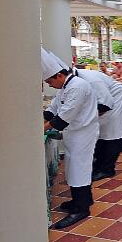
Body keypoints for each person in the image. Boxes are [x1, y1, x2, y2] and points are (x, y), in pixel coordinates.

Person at [41, 49, 99, 229]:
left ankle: (81, 209)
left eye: (50, 81)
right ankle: (82, 200)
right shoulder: (66, 86)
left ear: (59, 75)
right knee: (74, 169)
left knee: (78, 170)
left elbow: (62, 118)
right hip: (74, 134)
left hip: (83, 134)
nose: (50, 85)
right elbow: (53, 109)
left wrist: (39, 129)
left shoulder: (78, 87)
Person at [73, 67, 122, 181]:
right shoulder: (75, 79)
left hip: (114, 99)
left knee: (113, 134)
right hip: (102, 102)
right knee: (101, 134)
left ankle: (107, 169)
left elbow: (105, 103)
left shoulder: (91, 80)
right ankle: (99, 165)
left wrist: (87, 116)